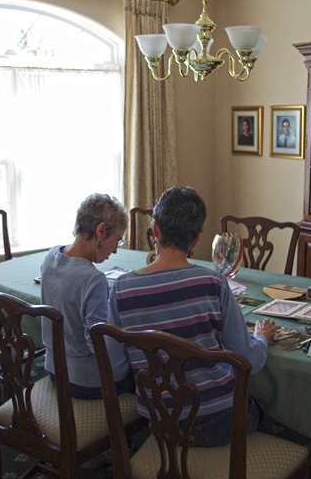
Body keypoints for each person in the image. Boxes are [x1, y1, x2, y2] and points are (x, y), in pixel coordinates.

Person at [108, 186, 279, 447]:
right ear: (197, 238)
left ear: (155, 228)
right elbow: (248, 361)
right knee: (263, 412)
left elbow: (116, 367)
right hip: (218, 420)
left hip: (157, 419)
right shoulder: (214, 283)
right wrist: (262, 337)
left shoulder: (120, 290)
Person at [40, 193, 134, 399]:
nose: (115, 251)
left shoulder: (50, 257)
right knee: (144, 370)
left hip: (55, 370)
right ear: (101, 231)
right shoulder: (93, 279)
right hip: (87, 380)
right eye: (117, 240)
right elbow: (97, 346)